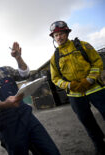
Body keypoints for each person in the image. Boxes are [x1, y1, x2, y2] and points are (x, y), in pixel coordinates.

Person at [0, 42, 60, 155]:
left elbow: (25, 74)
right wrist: (6, 104)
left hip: (27, 116)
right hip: (8, 125)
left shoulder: (6, 70)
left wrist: (18, 58)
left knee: (50, 151)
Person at [49, 20, 105, 155]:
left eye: (61, 34)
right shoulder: (54, 57)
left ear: (67, 33)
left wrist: (89, 80)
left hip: (96, 90)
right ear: (53, 38)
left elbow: (97, 62)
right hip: (75, 96)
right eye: (56, 35)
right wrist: (69, 85)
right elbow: (55, 78)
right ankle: (100, 147)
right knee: (88, 123)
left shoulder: (83, 46)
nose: (59, 37)